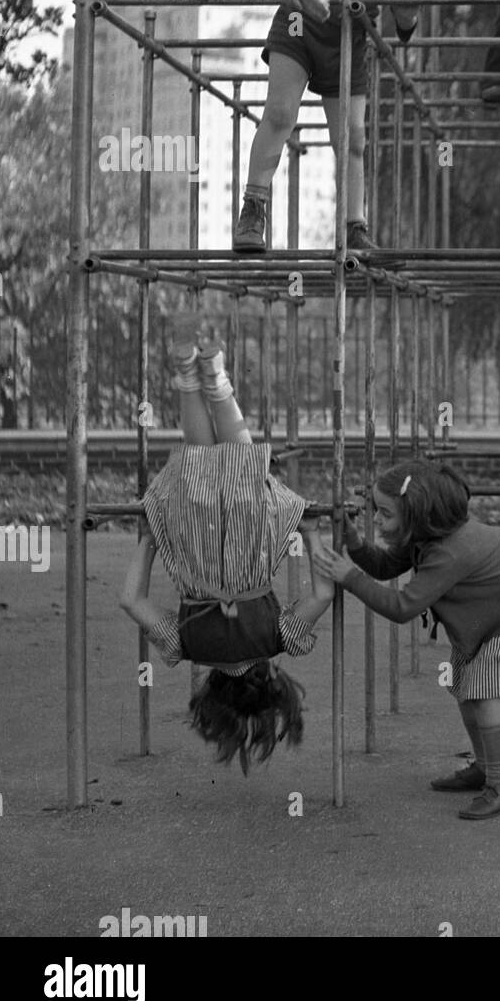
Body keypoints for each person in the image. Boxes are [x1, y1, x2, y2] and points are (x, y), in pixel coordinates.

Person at [310, 459, 500, 820]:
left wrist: (350, 577)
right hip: (491, 608)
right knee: (467, 691)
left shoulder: (449, 553)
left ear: (418, 516)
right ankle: (486, 768)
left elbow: (402, 607)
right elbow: (383, 567)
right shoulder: (427, 536)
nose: (376, 520)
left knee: (484, 694)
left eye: (384, 513)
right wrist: (352, 539)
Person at [120, 313, 333, 772]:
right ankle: (187, 375)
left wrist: (311, 533)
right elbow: (130, 599)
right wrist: (149, 542)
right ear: (211, 688)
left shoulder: (282, 639)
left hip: (248, 535)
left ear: (273, 678)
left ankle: (216, 377)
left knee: (237, 457)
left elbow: (323, 592)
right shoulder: (185, 649)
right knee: (198, 454)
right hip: (195, 535)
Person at [232, 0, 465, 253]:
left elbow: (406, 27)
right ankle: (253, 207)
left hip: (350, 42)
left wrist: (406, 7)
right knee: (280, 113)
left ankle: (355, 226)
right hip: (299, 26)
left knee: (353, 138)